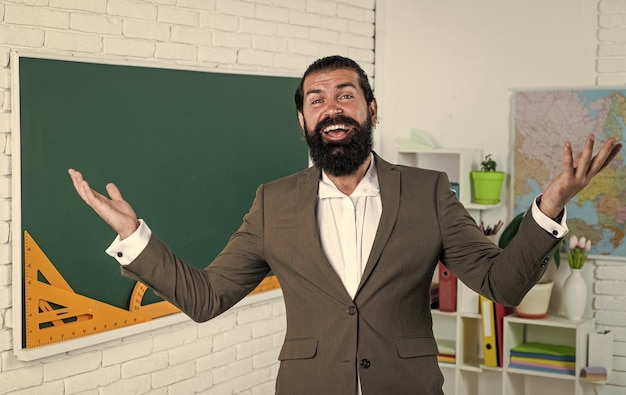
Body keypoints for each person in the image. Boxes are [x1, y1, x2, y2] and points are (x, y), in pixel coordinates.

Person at [68, 55, 621, 395]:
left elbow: (501, 283)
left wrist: (549, 205)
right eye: (316, 99)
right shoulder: (273, 203)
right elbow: (206, 297)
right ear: (303, 119)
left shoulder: (428, 191)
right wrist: (135, 236)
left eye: (345, 95)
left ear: (371, 110)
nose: (331, 108)